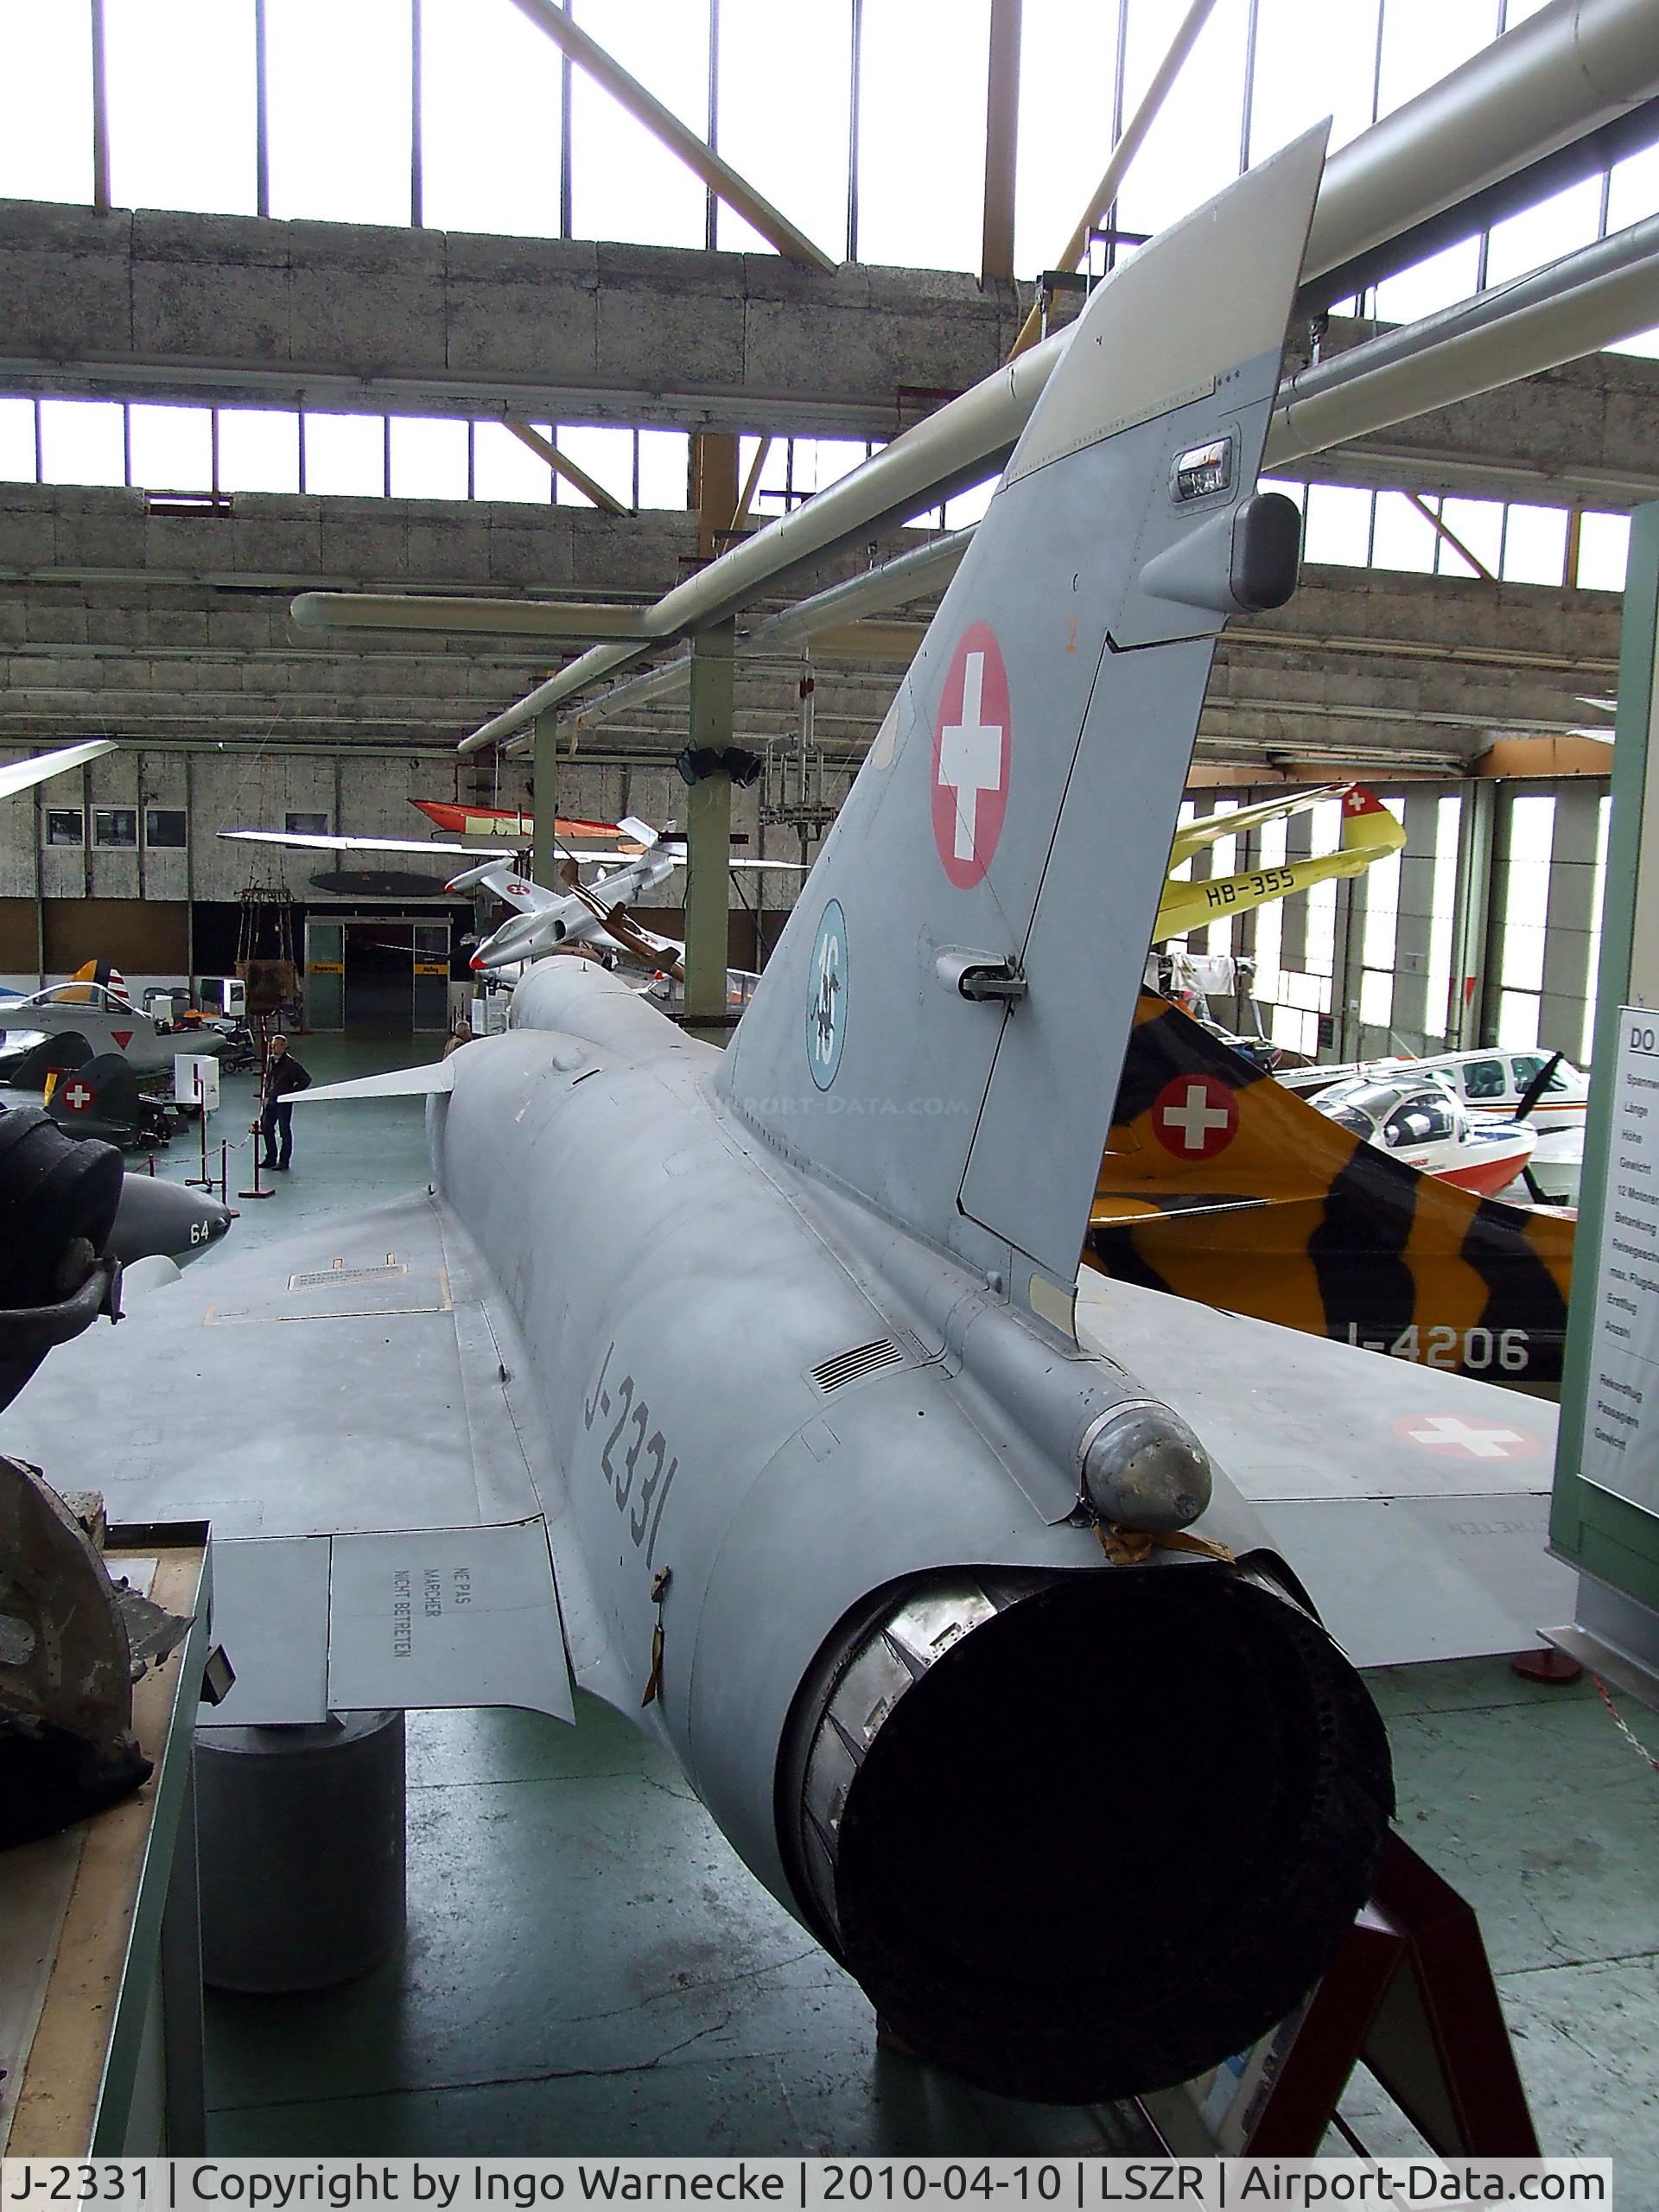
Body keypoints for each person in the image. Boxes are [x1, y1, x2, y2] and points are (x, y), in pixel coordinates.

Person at [257, 1035, 311, 1171]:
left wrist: (291, 1092)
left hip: (283, 1102)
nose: (273, 1048)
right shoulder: (270, 1061)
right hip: (271, 1099)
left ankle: (284, 1161)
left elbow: (306, 1079)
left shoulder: (290, 1064)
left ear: (283, 1046)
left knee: (284, 1131)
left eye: (276, 1045)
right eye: (272, 1045)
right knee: (266, 1128)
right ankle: (271, 1157)